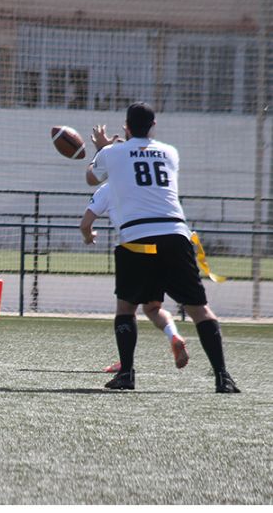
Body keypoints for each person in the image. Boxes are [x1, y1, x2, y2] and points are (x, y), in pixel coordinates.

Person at [86, 102, 239, 392]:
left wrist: (102, 149)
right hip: (174, 233)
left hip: (138, 239)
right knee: (200, 310)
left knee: (127, 307)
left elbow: (91, 177)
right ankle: (223, 377)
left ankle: (127, 374)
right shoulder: (170, 152)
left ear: (126, 127)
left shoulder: (112, 152)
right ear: (153, 126)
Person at [80, 183, 189, 372]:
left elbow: (85, 224)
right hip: (163, 247)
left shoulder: (108, 188)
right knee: (153, 308)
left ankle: (126, 364)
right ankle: (173, 336)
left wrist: (88, 237)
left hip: (133, 250)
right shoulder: (148, 186)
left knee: (125, 311)